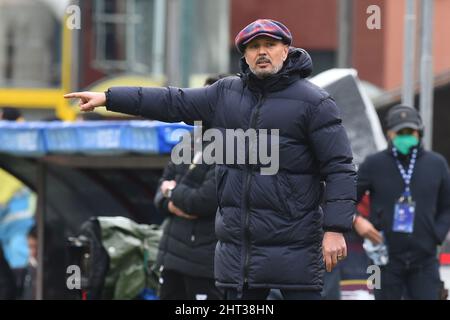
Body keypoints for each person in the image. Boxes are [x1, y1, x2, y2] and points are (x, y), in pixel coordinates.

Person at [65, 19, 356, 300]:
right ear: (244, 55)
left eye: (270, 44)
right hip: (239, 254)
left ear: (286, 50)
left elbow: (340, 168)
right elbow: (171, 101)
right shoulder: (225, 94)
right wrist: (109, 98)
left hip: (296, 248)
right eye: (253, 47)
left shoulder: (315, 103)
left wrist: (335, 230)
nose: (262, 52)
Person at [357, 104, 450, 300]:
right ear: (389, 134)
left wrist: (437, 235)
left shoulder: (437, 164)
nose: (405, 136)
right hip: (382, 260)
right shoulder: (373, 164)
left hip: (425, 261)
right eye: (400, 132)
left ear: (420, 132)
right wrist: (357, 221)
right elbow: (345, 199)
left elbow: (447, 206)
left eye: (410, 131)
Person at [154, 76, 223, 300]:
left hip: (204, 264)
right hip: (170, 258)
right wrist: (170, 198)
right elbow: (159, 193)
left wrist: (172, 192)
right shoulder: (188, 140)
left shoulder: (233, 146)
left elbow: (203, 201)